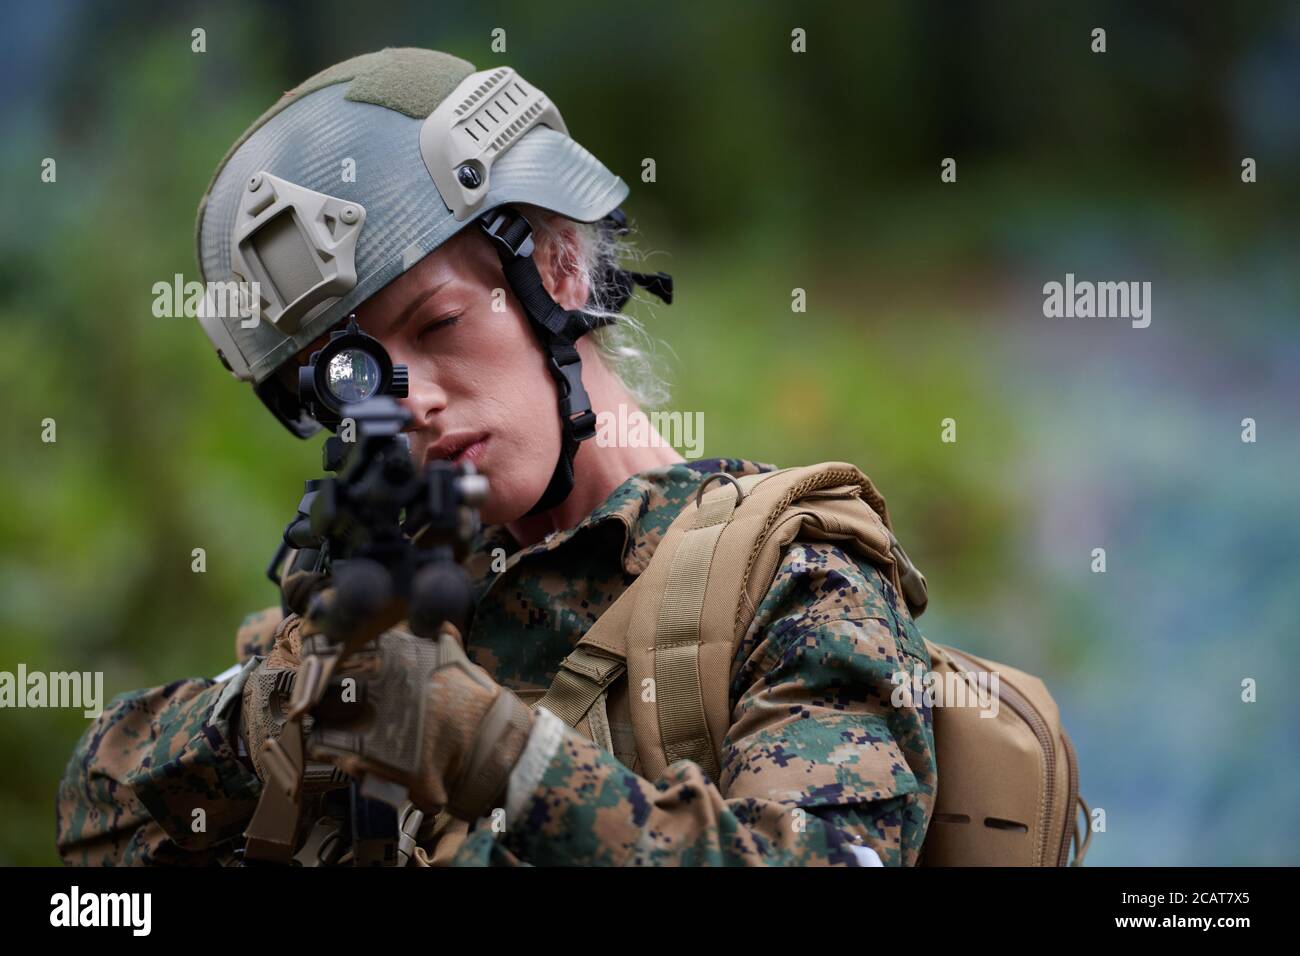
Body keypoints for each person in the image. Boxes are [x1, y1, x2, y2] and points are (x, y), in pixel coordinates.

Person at [56, 47, 936, 867]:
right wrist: (266, 721)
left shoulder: (795, 579)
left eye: (438, 323)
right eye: (357, 380)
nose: (410, 404)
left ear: (556, 269)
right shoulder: (396, 606)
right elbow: (96, 826)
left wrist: (495, 753)